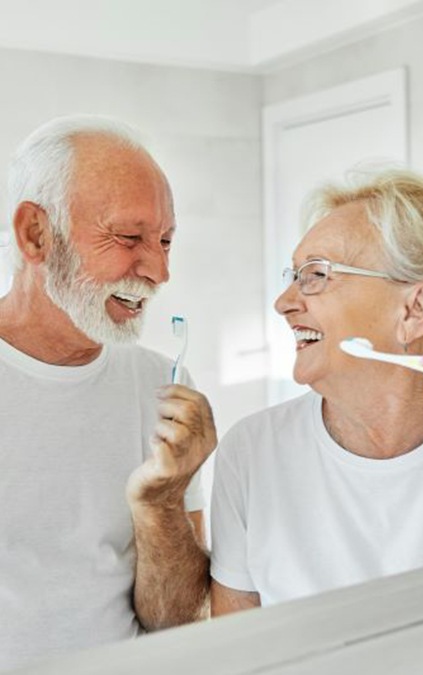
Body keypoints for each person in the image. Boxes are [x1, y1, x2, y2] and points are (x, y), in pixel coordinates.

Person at [209, 168, 423, 614]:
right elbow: (237, 650)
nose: (284, 301)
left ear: (414, 309)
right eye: (294, 274)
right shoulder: (253, 451)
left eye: (316, 274)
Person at [0, 116, 216, 671]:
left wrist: (163, 500)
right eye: (129, 238)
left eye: (166, 241)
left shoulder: (163, 388)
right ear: (35, 235)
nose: (160, 270)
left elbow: (177, 621)